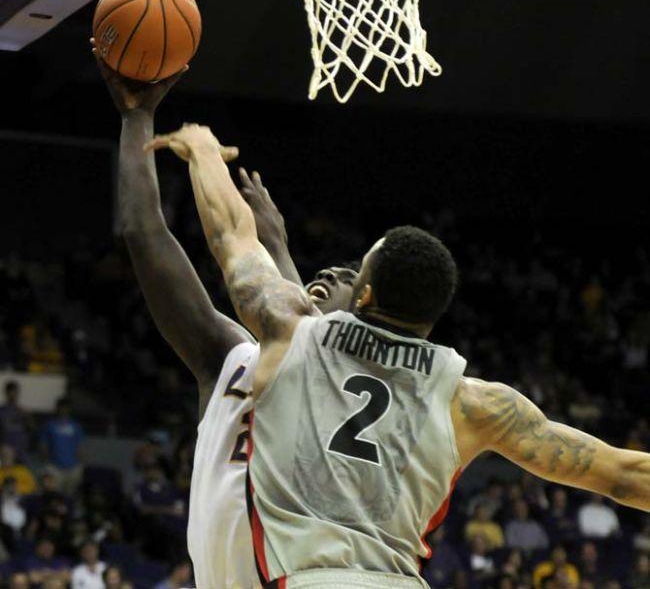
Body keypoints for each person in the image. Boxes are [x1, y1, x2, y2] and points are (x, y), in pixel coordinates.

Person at [151, 122, 650, 589]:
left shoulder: (293, 331)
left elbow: (232, 236)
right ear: (429, 320)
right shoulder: (473, 403)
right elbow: (621, 475)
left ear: (363, 295)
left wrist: (203, 152)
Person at [93, 51, 358, 589]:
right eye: (328, 270)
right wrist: (136, 118)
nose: (330, 272)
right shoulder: (231, 357)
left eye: (346, 280)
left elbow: (302, 338)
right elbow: (143, 234)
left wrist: (275, 248)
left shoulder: (355, 393)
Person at [40, 398, 84, 495]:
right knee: (54, 495)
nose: (63, 410)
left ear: (69, 409)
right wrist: (46, 463)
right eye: (61, 407)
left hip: (73, 467)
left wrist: (80, 464)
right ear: (57, 408)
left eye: (66, 408)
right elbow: (44, 445)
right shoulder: (49, 425)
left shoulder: (75, 426)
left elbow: (80, 446)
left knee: (70, 496)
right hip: (55, 467)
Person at [0, 381, 33, 460]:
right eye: (10, 391)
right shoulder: (1, 411)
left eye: (14, 391)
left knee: (23, 470)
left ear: (18, 393)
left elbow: (31, 428)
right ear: (6, 393)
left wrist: (27, 417)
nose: (12, 394)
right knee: (8, 471)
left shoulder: (24, 411)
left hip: (22, 448)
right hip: (7, 448)